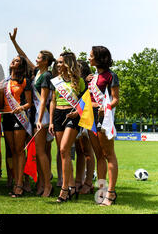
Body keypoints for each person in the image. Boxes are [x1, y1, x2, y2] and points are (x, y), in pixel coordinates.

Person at [9, 28, 54, 197]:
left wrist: (40, 119)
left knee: (42, 151)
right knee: (40, 151)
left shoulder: (47, 76)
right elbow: (24, 56)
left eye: (39, 57)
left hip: (41, 116)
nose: (35, 59)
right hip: (35, 114)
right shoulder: (37, 72)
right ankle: (41, 184)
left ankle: (47, 185)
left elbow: (43, 99)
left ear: (46, 61)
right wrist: (14, 42)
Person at [49, 52, 86, 203]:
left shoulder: (79, 81)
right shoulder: (55, 81)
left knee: (64, 149)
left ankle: (64, 189)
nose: (58, 65)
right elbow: (52, 101)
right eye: (57, 62)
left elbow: (85, 102)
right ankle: (71, 187)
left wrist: (77, 112)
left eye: (61, 62)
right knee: (63, 153)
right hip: (58, 115)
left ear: (68, 64)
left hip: (73, 116)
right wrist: (51, 121)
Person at [87, 46, 119, 206]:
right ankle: (101, 192)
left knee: (109, 155)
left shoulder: (111, 76)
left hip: (103, 117)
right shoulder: (93, 77)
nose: (88, 58)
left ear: (99, 58)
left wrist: (105, 107)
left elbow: (115, 99)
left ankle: (111, 193)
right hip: (89, 117)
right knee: (98, 155)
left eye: (91, 55)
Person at [0, 55, 33, 198]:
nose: (14, 61)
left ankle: (19, 184)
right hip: (6, 117)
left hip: (19, 117)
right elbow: (0, 104)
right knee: (12, 151)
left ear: (21, 65)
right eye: (13, 59)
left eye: (17, 60)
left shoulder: (25, 81)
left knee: (19, 151)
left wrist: (21, 108)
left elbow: (29, 103)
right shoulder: (3, 82)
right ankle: (16, 181)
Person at [75, 60, 95, 194]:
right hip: (76, 117)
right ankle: (78, 181)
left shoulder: (90, 81)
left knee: (88, 151)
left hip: (87, 117)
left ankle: (88, 183)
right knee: (79, 151)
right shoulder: (75, 81)